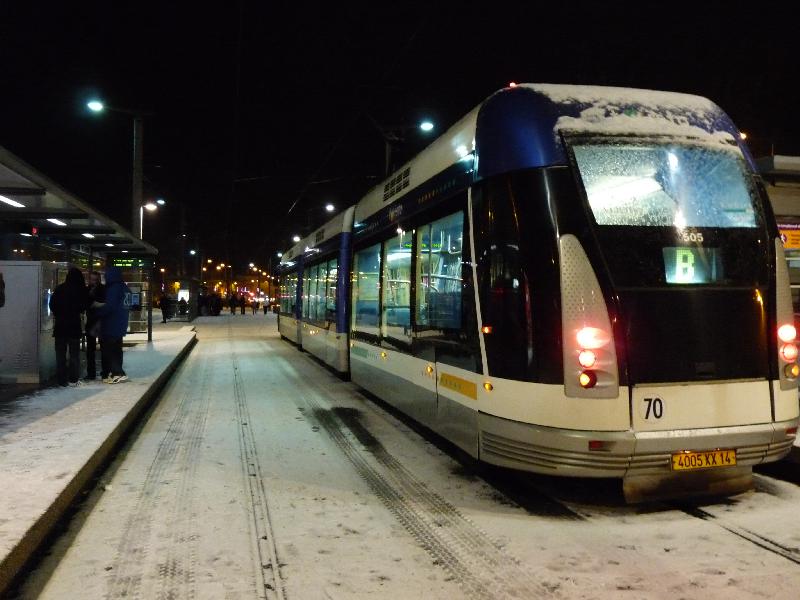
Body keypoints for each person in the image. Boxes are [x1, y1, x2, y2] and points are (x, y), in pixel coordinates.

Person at [49, 267, 89, 387]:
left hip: (60, 327)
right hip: (73, 327)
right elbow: (83, 307)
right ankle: (73, 379)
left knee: (60, 355)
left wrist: (59, 314)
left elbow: (52, 305)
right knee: (74, 355)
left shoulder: (59, 288)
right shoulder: (79, 290)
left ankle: (62, 380)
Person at [94, 266, 132, 384]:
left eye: (106, 275)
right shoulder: (125, 288)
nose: (105, 278)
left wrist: (97, 311)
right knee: (117, 349)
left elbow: (109, 307)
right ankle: (115, 373)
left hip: (111, 323)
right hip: (121, 323)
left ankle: (117, 373)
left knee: (109, 350)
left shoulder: (114, 288)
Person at [85, 271, 106, 380]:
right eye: (93, 279)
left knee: (101, 349)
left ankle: (103, 372)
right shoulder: (88, 289)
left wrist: (94, 304)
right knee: (91, 350)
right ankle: (92, 373)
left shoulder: (101, 289)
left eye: (96, 279)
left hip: (99, 322)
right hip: (92, 322)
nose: (94, 282)